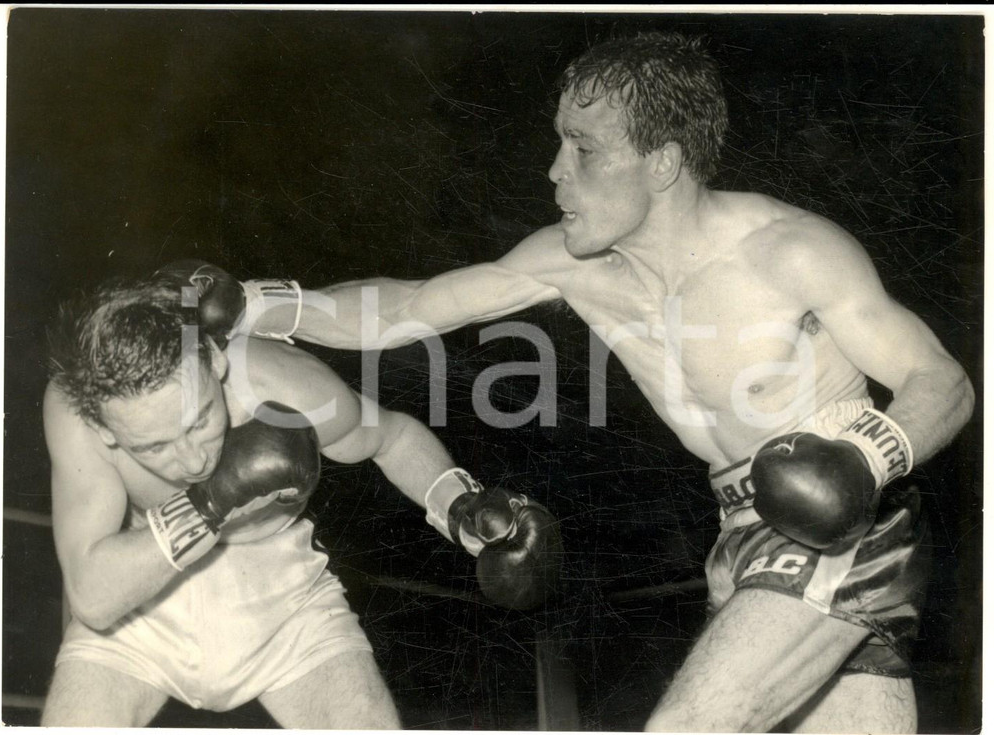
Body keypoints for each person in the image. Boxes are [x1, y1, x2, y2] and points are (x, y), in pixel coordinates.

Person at [183, 31, 974, 733]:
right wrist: (255, 303)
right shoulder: (574, 263)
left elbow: (940, 379)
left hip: (837, 528)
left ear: (662, 162)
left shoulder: (790, 252)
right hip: (738, 536)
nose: (555, 169)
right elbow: (407, 309)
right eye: (559, 141)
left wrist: (863, 458)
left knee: (686, 724)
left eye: (584, 148)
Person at [40, 269, 561, 727]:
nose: (193, 460)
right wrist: (208, 504)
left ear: (215, 359)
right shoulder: (77, 410)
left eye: (200, 420)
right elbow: (92, 596)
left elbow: (392, 438)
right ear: (103, 428)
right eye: (154, 447)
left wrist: (461, 506)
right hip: (139, 602)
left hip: (286, 602)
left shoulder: (285, 388)